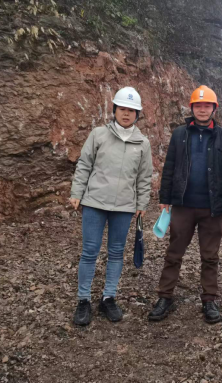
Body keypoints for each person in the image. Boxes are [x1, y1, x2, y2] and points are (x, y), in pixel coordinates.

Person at [148, 85, 222, 324]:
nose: (202, 109)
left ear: (214, 108)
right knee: (173, 253)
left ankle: (209, 300)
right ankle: (165, 297)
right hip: (183, 205)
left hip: (212, 207)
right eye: (198, 105)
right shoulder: (179, 134)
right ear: (191, 108)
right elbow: (169, 166)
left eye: (207, 105)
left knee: (210, 256)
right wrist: (165, 198)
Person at [69, 86, 153, 326]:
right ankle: (83, 300)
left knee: (116, 252)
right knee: (90, 251)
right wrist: (76, 192)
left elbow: (144, 177)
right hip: (94, 202)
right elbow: (84, 164)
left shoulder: (142, 143)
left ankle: (109, 297)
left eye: (131, 110)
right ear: (114, 109)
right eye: (122, 109)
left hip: (124, 207)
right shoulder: (98, 135)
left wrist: (142, 203)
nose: (126, 114)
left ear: (137, 114)